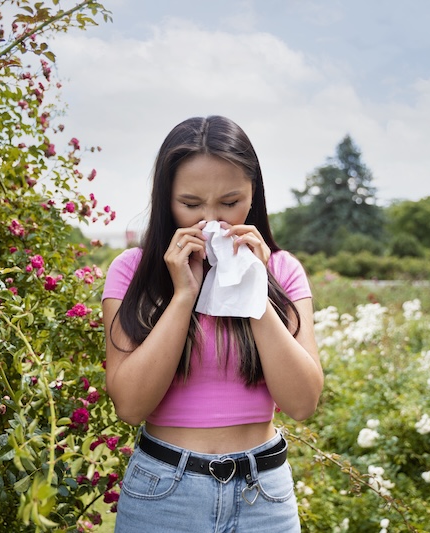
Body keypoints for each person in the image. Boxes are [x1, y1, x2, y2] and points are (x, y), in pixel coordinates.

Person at [102, 115, 323, 532]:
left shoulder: (282, 270)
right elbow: (130, 406)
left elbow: (302, 402)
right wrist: (184, 294)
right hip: (164, 494)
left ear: (253, 194)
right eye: (191, 204)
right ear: (166, 198)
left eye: (229, 201)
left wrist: (252, 289)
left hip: (264, 496)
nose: (211, 221)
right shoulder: (132, 272)